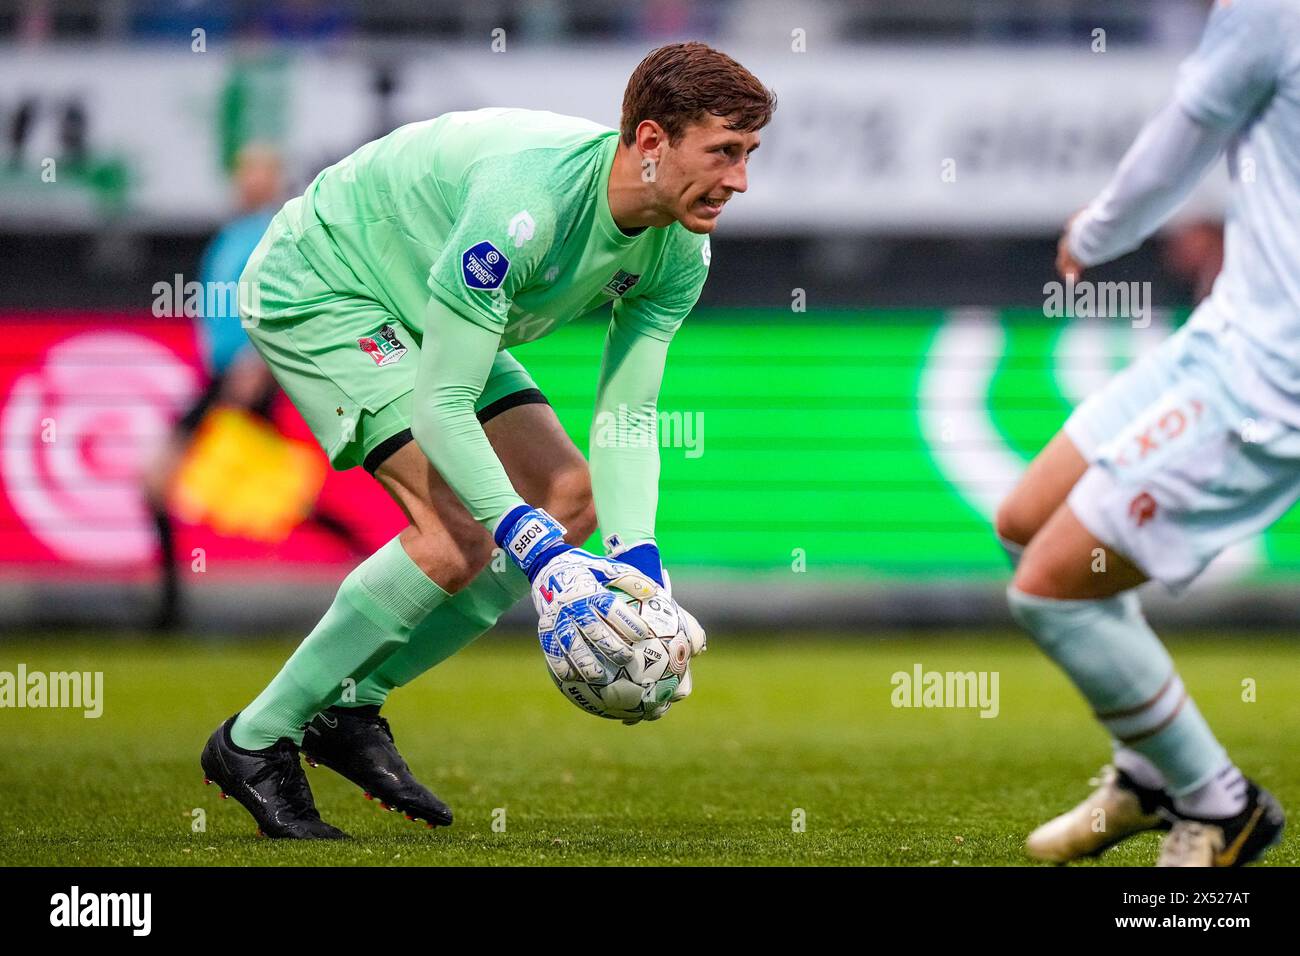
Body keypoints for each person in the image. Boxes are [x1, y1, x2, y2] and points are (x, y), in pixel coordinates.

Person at [200, 42, 775, 839]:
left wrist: (639, 561)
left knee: (570, 497)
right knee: (459, 532)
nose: (740, 180)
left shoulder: (680, 247)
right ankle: (254, 739)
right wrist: (533, 549)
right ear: (651, 141)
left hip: (420, 298)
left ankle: (349, 707)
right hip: (326, 282)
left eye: (748, 155)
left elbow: (629, 416)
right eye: (723, 153)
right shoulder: (524, 207)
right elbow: (442, 404)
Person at [997, 0, 1293, 866]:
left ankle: (1220, 805)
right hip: (1226, 330)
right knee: (1024, 521)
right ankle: (1148, 772)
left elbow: (1186, 134)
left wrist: (1098, 230)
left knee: (1048, 593)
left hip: (1269, 384)